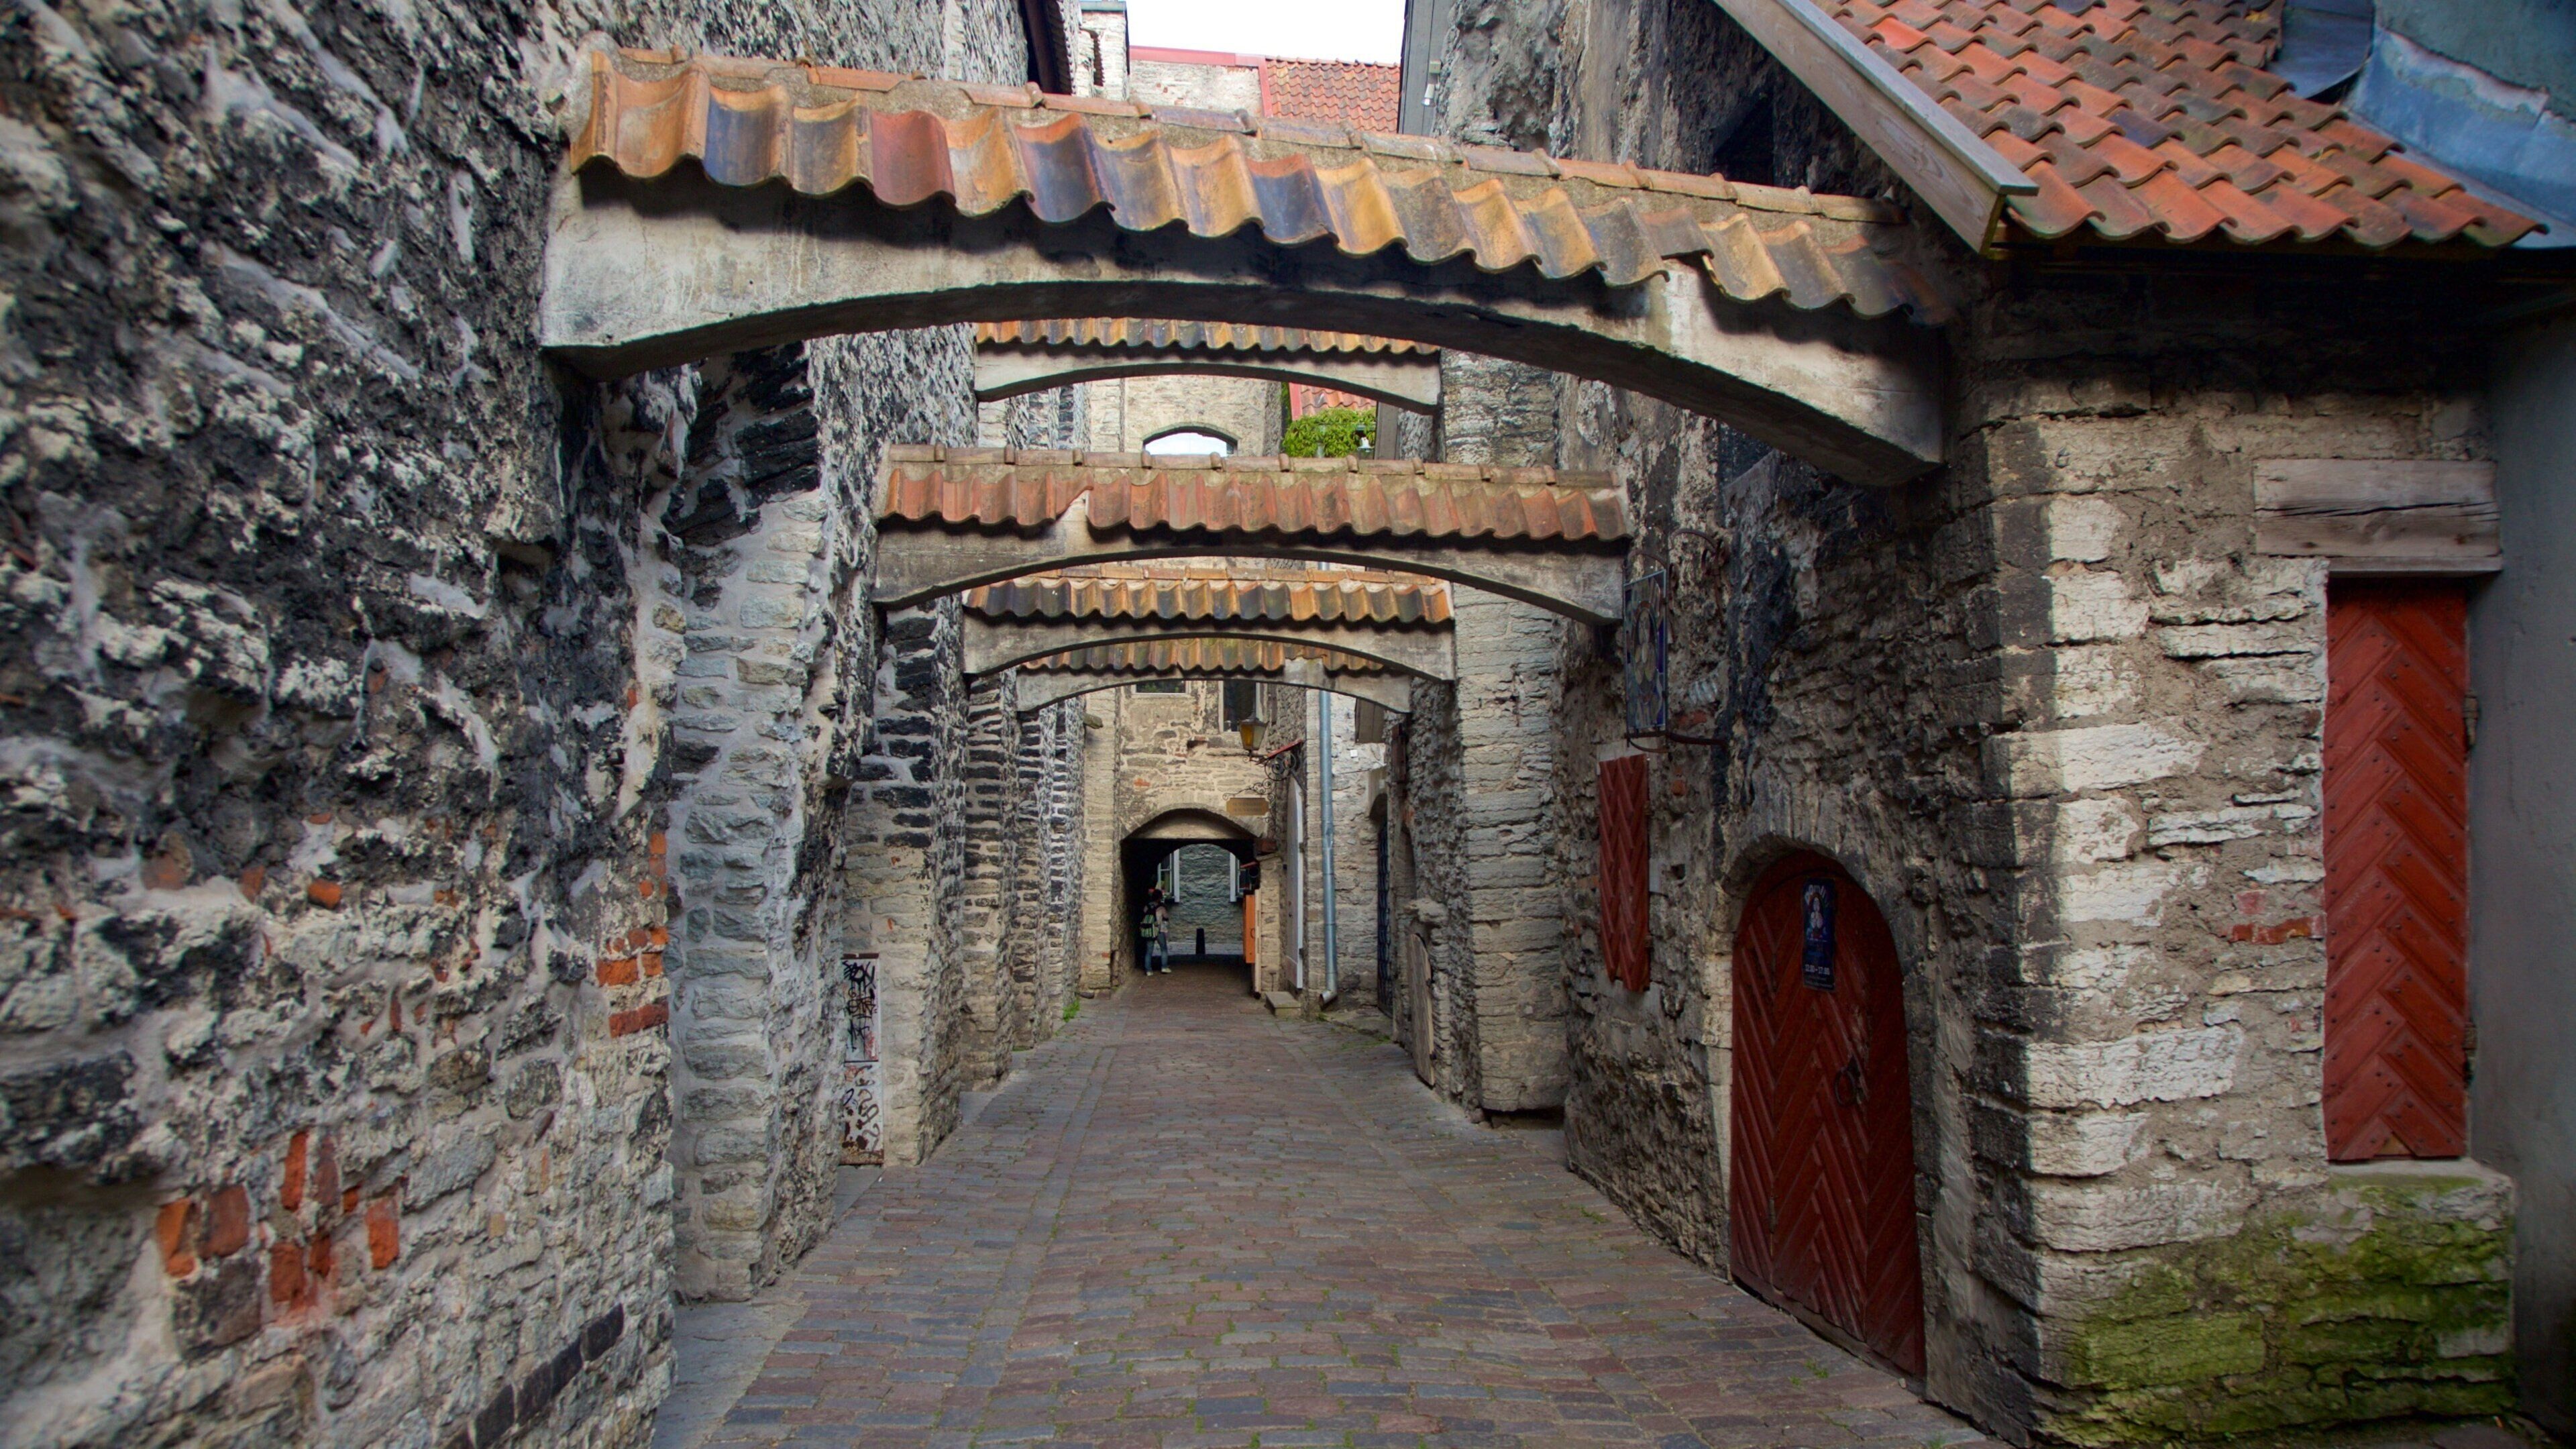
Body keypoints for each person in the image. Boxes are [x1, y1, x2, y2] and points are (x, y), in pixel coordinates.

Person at [1140, 887, 1171, 975]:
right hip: (1159, 930)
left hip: (1149, 930)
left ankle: (1148, 970)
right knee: (1163, 949)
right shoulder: (1161, 908)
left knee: (1149, 951)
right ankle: (1164, 967)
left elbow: (1143, 915)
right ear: (1160, 897)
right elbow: (1166, 917)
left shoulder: (1147, 906)